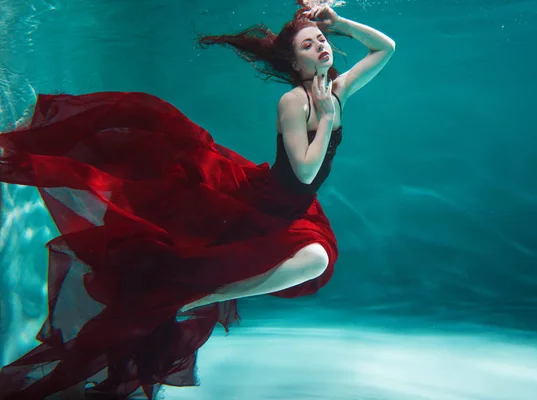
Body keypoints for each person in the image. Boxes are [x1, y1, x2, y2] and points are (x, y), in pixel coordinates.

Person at [0, 2, 395, 399]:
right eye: (309, 45)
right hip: (256, 204)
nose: (322, 47)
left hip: (293, 209)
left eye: (323, 41)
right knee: (154, 129)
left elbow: (385, 49)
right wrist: (326, 117)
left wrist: (341, 22)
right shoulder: (295, 102)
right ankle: (33, 140)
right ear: (294, 62)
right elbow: (306, 171)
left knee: (314, 262)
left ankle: (202, 296)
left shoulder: (337, 90)